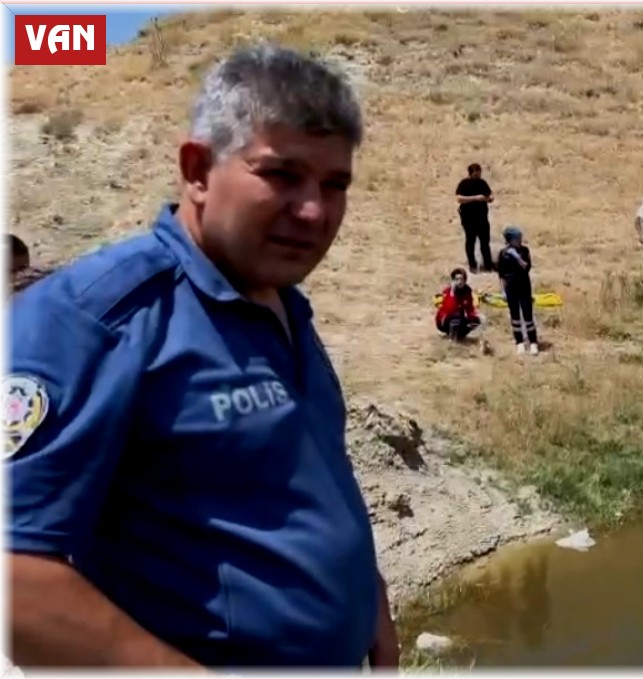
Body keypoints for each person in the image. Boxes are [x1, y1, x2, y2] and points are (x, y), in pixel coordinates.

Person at [6, 43, 399, 670]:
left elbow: (303, 480)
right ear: (196, 169)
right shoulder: (95, 320)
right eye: (281, 174)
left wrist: (366, 595)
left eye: (335, 184)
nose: (314, 211)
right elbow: (15, 579)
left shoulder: (281, 302)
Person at [496, 225, 539, 356]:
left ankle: (533, 342)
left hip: (524, 286)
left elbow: (526, 267)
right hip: (510, 287)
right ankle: (519, 342)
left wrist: (517, 256)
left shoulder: (524, 251)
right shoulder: (503, 254)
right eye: (517, 238)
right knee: (515, 316)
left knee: (528, 315)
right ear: (510, 239)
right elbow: (501, 274)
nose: (520, 240)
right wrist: (503, 291)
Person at [455, 162, 495, 273]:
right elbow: (459, 198)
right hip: (468, 219)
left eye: (479, 173)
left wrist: (488, 198)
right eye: (476, 174)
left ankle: (488, 265)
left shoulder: (482, 183)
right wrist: (476, 198)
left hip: (482, 218)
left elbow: (490, 195)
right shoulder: (464, 183)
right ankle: (472, 265)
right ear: (471, 173)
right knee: (470, 241)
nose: (478, 176)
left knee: (485, 242)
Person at [435, 267, 481, 341]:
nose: (459, 282)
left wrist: (474, 317)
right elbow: (449, 309)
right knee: (456, 316)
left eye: (461, 279)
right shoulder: (448, 291)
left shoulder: (467, 291)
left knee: (476, 320)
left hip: (459, 318)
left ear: (465, 280)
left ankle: (459, 335)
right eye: (457, 279)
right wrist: (452, 293)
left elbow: (469, 308)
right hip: (445, 320)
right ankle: (452, 336)